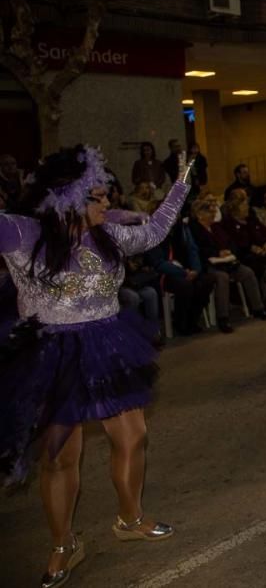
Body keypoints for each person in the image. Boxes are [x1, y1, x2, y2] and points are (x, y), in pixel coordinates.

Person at [0, 145, 194, 587]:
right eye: (98, 196)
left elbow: (157, 230)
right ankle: (63, 543)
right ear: (69, 196)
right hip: (54, 354)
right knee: (60, 457)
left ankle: (130, 519)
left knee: (134, 435)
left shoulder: (108, 233)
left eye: (108, 196)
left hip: (108, 344)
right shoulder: (23, 233)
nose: (107, 204)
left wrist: (181, 184)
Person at [188, 200, 266, 331]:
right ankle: (223, 318)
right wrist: (217, 253)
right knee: (222, 278)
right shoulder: (194, 230)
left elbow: (230, 242)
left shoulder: (216, 227)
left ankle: (258, 308)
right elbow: (198, 250)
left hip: (227, 262)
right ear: (200, 214)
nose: (213, 213)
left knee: (247, 272)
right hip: (209, 265)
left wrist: (229, 251)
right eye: (210, 211)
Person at [215, 197, 266, 309]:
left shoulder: (252, 220)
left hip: (262, 250)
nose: (247, 208)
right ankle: (260, 298)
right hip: (244, 254)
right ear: (236, 209)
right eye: (244, 206)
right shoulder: (229, 224)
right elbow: (234, 243)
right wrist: (251, 248)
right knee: (255, 265)